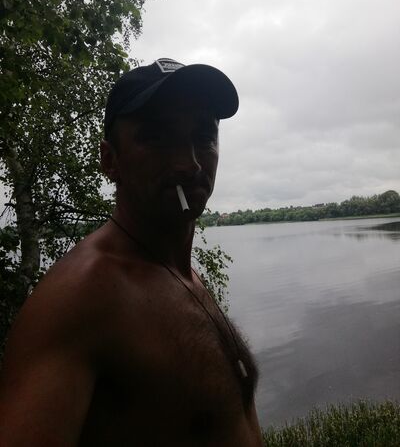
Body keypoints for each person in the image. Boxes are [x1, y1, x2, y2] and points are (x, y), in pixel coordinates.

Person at [0, 58, 263, 446]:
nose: (189, 163)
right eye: (157, 137)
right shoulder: (80, 298)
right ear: (110, 160)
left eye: (204, 135)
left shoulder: (182, 275)